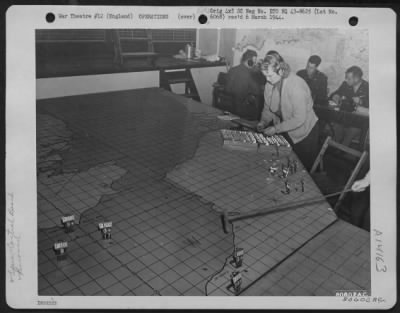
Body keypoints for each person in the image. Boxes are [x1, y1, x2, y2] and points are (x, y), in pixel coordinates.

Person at [256, 52, 319, 170]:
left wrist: (276, 128)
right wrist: (263, 122)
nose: (267, 80)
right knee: (285, 165)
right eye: (265, 76)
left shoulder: (296, 86)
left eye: (269, 76)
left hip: (304, 133)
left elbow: (299, 119)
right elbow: (268, 107)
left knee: (301, 169)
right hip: (286, 128)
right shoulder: (270, 83)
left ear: (280, 71)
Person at [329, 66, 369, 147]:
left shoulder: (367, 87)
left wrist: (361, 101)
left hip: (358, 122)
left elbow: (372, 106)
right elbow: (333, 94)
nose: (346, 80)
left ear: (357, 78)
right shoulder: (345, 85)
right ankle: (335, 148)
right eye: (346, 77)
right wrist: (335, 96)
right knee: (336, 127)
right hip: (343, 118)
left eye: (348, 78)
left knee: (351, 132)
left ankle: (342, 150)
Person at [225, 49, 266, 120]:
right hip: (241, 109)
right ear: (250, 61)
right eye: (254, 61)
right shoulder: (250, 74)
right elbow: (257, 91)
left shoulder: (233, 69)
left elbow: (227, 88)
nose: (255, 63)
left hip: (229, 105)